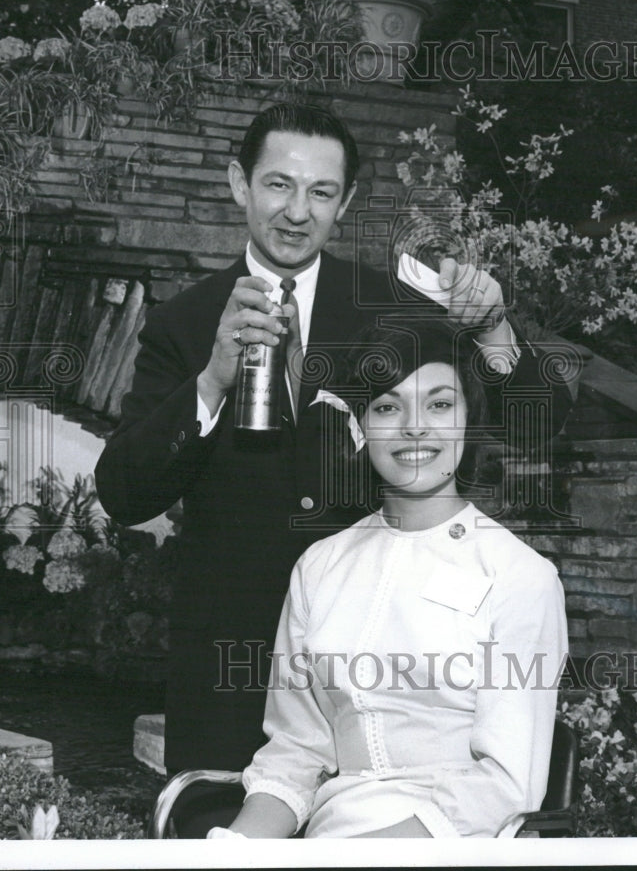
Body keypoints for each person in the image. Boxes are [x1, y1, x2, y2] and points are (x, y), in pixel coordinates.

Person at [94, 102, 571, 835]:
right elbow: (123, 493)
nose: (296, 211)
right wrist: (212, 381)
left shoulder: (389, 304)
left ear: (344, 202)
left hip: (379, 681)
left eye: (320, 192)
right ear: (238, 184)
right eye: (278, 185)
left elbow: (539, 422)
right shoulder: (185, 323)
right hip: (231, 675)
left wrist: (495, 330)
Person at [212, 322, 568, 838]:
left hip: (456, 844)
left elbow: (505, 784)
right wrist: (233, 848)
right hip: (328, 838)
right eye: (387, 406)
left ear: (470, 419)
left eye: (440, 405)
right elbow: (294, 754)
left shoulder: (520, 577)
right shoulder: (319, 566)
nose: (415, 427)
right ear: (360, 426)